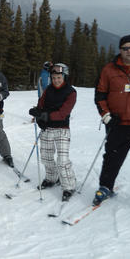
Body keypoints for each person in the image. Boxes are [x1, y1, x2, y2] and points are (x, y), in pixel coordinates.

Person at [93, 34, 130, 205]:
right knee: (112, 159)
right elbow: (100, 95)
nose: (129, 51)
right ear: (120, 50)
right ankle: (105, 187)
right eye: (125, 48)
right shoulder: (109, 70)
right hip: (118, 125)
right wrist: (106, 116)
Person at [29, 63, 77, 202]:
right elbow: (41, 104)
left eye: (59, 77)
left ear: (64, 77)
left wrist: (46, 116)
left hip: (62, 129)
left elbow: (63, 113)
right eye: (54, 77)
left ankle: (69, 186)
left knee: (62, 161)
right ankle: (51, 178)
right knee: (46, 157)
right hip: (47, 129)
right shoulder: (48, 90)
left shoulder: (71, 92)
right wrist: (37, 112)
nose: (56, 80)